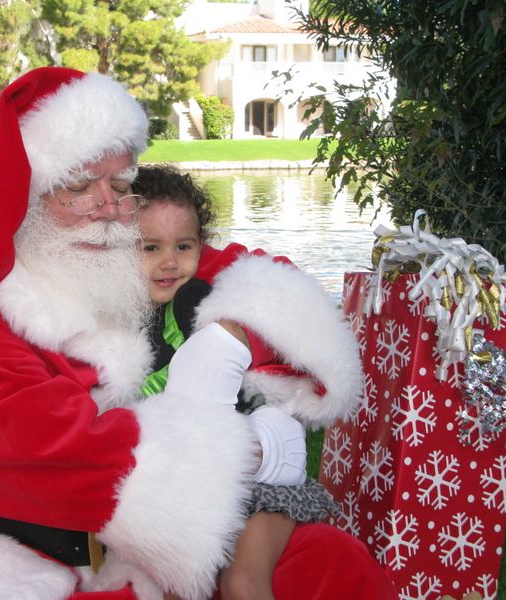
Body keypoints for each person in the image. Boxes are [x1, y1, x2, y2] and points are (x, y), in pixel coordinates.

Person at [0, 66, 396, 600]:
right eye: (80, 185)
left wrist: (232, 336)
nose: (108, 206)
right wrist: (248, 447)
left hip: (126, 544)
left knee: (331, 563)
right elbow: (48, 450)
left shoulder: (118, 259)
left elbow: (258, 281)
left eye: (122, 183)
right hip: (8, 558)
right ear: (24, 196)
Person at [134, 165, 340, 600]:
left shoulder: (205, 298)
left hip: (265, 467)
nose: (169, 261)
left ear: (201, 244)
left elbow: (278, 286)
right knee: (180, 578)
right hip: (196, 474)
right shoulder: (124, 317)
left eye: (183, 246)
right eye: (149, 247)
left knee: (243, 582)